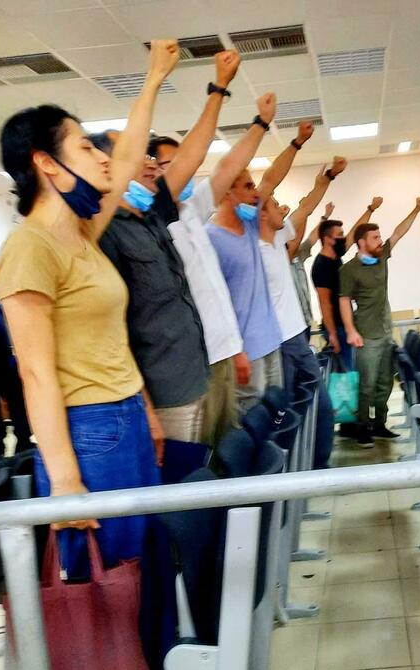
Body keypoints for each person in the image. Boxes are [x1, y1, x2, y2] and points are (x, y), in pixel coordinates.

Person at [0, 41, 199, 670]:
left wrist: (154, 79)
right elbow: (36, 373)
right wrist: (66, 483)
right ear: (47, 165)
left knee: (146, 588)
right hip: (86, 440)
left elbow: (133, 151)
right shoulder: (27, 251)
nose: (104, 158)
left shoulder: (81, 236)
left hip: (124, 426)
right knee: (101, 601)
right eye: (84, 146)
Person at [95, 53, 243, 465]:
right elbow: (115, 334)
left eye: (148, 155)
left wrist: (219, 87)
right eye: (134, 154)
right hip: (165, 398)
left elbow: (192, 154)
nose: (148, 162)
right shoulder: (105, 234)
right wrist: (145, 407)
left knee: (210, 476)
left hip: (196, 377)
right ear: (108, 167)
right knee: (183, 490)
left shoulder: (153, 212)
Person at [149, 89, 278, 446]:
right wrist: (217, 90)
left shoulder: (192, 209)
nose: (186, 169)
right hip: (194, 363)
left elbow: (228, 167)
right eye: (174, 164)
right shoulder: (152, 223)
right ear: (153, 171)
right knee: (202, 454)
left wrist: (261, 123)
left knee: (226, 448)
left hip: (223, 352)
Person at [206, 120, 314, 412]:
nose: (256, 192)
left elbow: (271, 179)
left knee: (276, 417)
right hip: (245, 351)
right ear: (227, 193)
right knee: (251, 420)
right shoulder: (210, 238)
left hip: (271, 341)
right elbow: (213, 302)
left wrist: (297, 143)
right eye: (247, 186)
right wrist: (234, 349)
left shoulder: (251, 224)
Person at [259, 158, 347, 468]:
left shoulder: (277, 239)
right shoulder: (254, 248)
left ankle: (313, 463)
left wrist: (327, 179)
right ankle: (309, 467)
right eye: (274, 205)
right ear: (261, 214)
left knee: (314, 403)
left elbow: (305, 208)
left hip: (296, 335)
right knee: (296, 406)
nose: (281, 209)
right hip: (282, 341)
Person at [340, 197, 420, 447]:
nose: (380, 241)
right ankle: (362, 428)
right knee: (366, 386)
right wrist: (350, 330)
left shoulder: (381, 256)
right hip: (366, 335)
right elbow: (343, 300)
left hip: (385, 331)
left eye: (379, 237)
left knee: (384, 383)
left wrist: (417, 209)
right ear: (361, 242)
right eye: (375, 238)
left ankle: (379, 423)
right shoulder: (349, 270)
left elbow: (399, 232)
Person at [311, 197, 384, 370]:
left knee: (351, 370)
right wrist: (332, 335)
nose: (343, 238)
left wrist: (370, 209)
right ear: (327, 239)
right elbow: (324, 303)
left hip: (345, 325)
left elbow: (354, 234)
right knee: (345, 374)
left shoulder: (336, 256)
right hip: (337, 329)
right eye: (339, 235)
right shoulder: (321, 266)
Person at [0, 289, 33, 458]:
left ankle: (5, 446)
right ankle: (20, 443)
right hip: (5, 357)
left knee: (10, 400)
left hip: (4, 356)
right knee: (14, 400)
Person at [290, 201, 335, 338]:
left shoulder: (298, 254)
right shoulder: (279, 258)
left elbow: (313, 237)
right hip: (292, 324)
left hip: (306, 320)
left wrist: (325, 217)